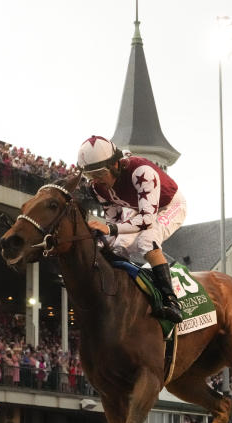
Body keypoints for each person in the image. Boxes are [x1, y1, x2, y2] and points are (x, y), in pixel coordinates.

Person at [77, 135, 186, 323]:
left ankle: (171, 300)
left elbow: (146, 220)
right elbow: (113, 219)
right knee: (115, 246)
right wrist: (106, 236)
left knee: (146, 241)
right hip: (139, 209)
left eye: (100, 173)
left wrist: (108, 229)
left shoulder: (142, 172)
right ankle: (119, 297)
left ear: (115, 165)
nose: (96, 180)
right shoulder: (97, 187)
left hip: (169, 206)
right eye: (90, 175)